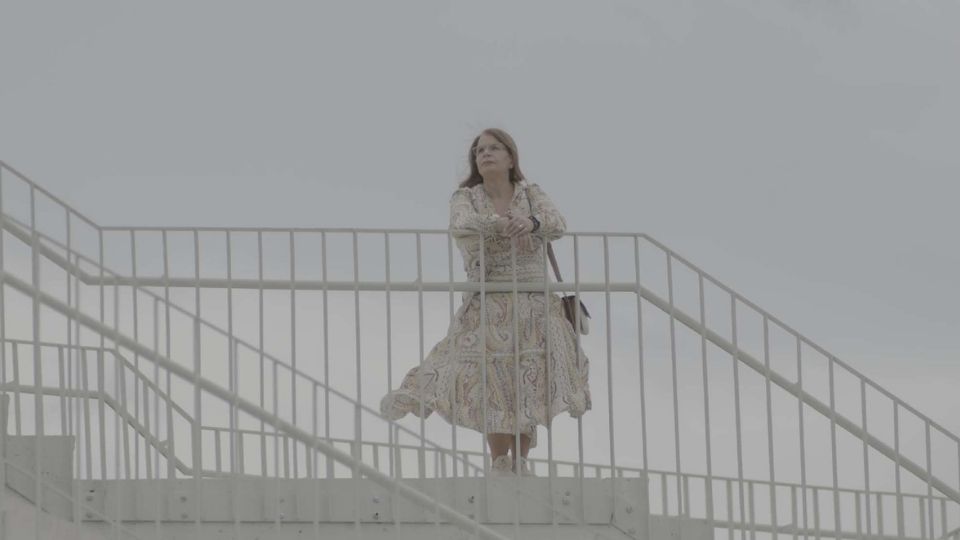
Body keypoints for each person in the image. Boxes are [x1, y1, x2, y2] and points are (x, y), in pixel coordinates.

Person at [380, 128, 591, 476]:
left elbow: (557, 223)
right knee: (493, 378)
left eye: (494, 148)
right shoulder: (466, 196)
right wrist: (501, 223)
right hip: (489, 299)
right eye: (479, 150)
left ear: (510, 157)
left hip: (534, 301)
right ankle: (499, 461)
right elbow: (461, 224)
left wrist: (530, 222)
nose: (485, 154)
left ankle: (521, 460)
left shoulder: (531, 193)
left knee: (528, 379)